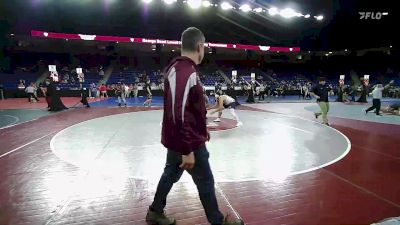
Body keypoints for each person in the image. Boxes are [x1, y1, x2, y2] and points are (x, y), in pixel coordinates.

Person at [146, 27, 244, 225]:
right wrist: (187, 148)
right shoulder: (186, 72)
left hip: (178, 140)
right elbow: (178, 112)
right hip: (189, 142)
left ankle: (155, 212)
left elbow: (183, 109)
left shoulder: (179, 69)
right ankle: (218, 221)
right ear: (200, 46)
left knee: (170, 174)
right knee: (205, 181)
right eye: (204, 48)